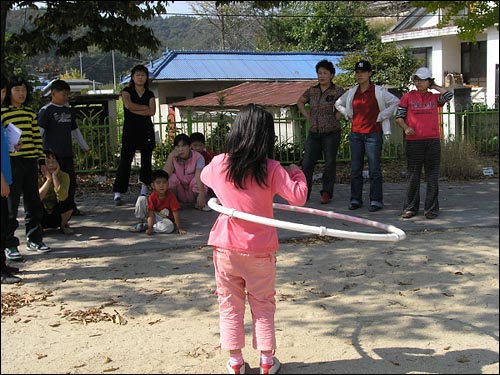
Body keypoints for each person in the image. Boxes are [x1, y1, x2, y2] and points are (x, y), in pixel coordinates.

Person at [200, 104, 308, 374]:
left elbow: (205, 178)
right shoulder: (270, 168)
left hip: (226, 248)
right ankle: (266, 362)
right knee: (262, 304)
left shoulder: (218, 163)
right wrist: (296, 172)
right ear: (266, 136)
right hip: (259, 250)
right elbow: (299, 196)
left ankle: (235, 362)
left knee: (229, 303)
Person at [335, 60, 400, 212]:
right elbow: (338, 103)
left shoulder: (378, 91)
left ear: (369, 73)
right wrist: (347, 114)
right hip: (356, 134)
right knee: (356, 169)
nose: (360, 75)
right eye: (357, 72)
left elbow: (396, 102)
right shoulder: (352, 92)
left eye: (363, 72)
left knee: (374, 169)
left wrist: (382, 115)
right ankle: (355, 199)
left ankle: (376, 200)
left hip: (373, 134)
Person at [1, 75, 50, 261]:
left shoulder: (30, 112)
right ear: (8, 93)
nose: (21, 93)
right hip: (11, 162)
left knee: (33, 201)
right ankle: (10, 243)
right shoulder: (3, 112)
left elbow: (37, 138)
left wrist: (41, 161)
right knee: (11, 205)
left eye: (24, 90)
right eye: (16, 90)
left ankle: (35, 238)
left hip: (29, 160)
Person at [395, 67, 453, 220]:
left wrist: (433, 86)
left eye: (422, 80)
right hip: (414, 142)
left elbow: (448, 95)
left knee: (432, 177)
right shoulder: (407, 97)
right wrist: (406, 128)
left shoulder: (434, 98)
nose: (418, 82)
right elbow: (399, 117)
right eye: (416, 79)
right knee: (413, 176)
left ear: (429, 81)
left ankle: (431, 209)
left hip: (432, 141)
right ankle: (410, 208)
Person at [38, 79, 90, 216]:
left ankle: (70, 208)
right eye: (63, 94)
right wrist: (38, 152)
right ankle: (55, 210)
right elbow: (39, 132)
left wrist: (85, 147)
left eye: (67, 94)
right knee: (54, 183)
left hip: (66, 153)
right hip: (52, 157)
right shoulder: (46, 111)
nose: (66, 97)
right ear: (54, 93)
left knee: (70, 182)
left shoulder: (68, 111)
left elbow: (75, 131)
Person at [297, 59, 345, 204]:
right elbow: (300, 101)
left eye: (325, 73)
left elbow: (346, 104)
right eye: (319, 73)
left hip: (331, 132)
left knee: (330, 163)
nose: (322, 76)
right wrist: (307, 116)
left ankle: (326, 192)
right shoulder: (312, 91)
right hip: (314, 133)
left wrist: (338, 116)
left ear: (331, 75)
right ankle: (304, 193)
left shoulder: (337, 91)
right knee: (307, 164)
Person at [113, 64, 156, 206]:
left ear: (146, 77)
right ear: (132, 77)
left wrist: (137, 109)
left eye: (143, 75)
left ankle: (144, 190)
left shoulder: (149, 94)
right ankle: (118, 192)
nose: (140, 77)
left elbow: (152, 111)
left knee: (146, 161)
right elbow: (128, 106)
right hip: (130, 130)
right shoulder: (126, 91)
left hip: (146, 130)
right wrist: (144, 107)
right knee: (125, 161)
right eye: (137, 75)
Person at [1, 71, 22, 284]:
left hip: (6, 175)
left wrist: (12, 147)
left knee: (5, 222)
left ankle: (3, 266)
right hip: (2, 179)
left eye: (3, 92)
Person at [129, 169, 186, 235]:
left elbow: (175, 212)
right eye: (158, 183)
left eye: (164, 182)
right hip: (153, 215)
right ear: (153, 185)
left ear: (168, 184)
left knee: (170, 227)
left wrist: (179, 228)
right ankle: (141, 223)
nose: (161, 185)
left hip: (165, 219)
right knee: (141, 198)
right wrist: (149, 228)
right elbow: (151, 214)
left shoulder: (171, 196)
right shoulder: (152, 197)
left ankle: (148, 226)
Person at [163, 133, 210, 211]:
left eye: (184, 146)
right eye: (178, 146)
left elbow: (199, 175)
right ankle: (174, 203)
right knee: (171, 179)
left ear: (189, 147)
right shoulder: (173, 157)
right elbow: (165, 175)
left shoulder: (199, 157)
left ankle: (199, 203)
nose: (181, 149)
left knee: (198, 181)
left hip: (192, 190)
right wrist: (170, 157)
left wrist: (201, 193)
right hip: (180, 190)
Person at [38, 149, 74, 234]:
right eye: (47, 162)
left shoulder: (64, 176)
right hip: (43, 215)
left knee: (69, 200)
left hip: (57, 214)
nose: (51, 165)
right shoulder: (36, 177)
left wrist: (54, 177)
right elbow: (37, 198)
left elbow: (62, 197)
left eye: (53, 162)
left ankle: (63, 225)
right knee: (33, 204)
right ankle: (37, 227)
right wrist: (48, 180)